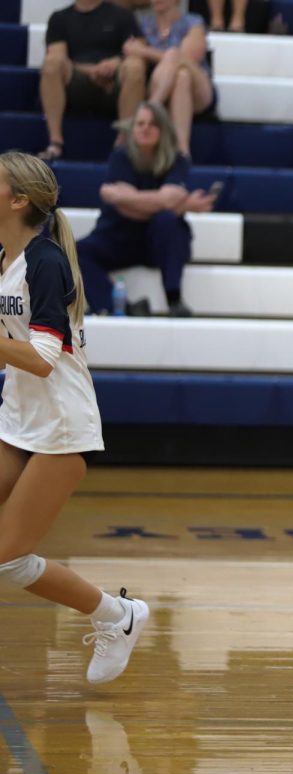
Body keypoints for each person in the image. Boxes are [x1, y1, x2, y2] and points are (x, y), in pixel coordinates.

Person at [0, 151, 150, 685]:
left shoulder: (45, 261)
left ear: (18, 200)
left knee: (8, 560)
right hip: (18, 421)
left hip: (61, 428)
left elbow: (42, 359)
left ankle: (118, 615)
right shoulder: (7, 257)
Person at [77, 102, 213, 317]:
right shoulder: (121, 157)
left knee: (168, 222)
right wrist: (178, 204)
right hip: (118, 237)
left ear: (163, 129)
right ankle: (120, 307)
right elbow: (128, 210)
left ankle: (174, 299)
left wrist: (126, 197)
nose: (145, 128)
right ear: (132, 128)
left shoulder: (177, 160)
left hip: (157, 243)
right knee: (73, 253)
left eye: (152, 124)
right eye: (140, 123)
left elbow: (133, 204)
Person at [39, 0, 147, 162]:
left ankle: (124, 142)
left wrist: (115, 63)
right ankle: (55, 142)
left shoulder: (122, 15)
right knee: (51, 63)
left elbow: (139, 49)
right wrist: (92, 70)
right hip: (77, 80)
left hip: (115, 80)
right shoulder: (59, 18)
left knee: (135, 65)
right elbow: (57, 54)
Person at [119, 0, 215, 156]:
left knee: (176, 59)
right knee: (181, 78)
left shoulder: (193, 22)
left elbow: (189, 57)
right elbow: (130, 51)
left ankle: (149, 109)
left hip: (198, 87)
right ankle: (182, 151)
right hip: (161, 83)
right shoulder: (142, 25)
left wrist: (146, 51)